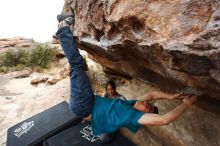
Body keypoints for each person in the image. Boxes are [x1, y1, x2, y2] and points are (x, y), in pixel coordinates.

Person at [55, 13, 197, 136]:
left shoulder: (130, 116)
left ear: (142, 115)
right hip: (87, 101)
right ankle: (63, 31)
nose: (145, 104)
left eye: (147, 108)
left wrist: (186, 104)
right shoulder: (130, 104)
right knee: (82, 66)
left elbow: (164, 120)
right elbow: (152, 95)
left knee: (76, 65)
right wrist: (171, 96)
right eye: (148, 105)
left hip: (84, 105)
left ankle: (62, 28)